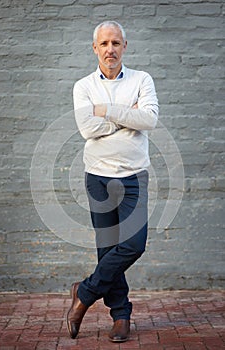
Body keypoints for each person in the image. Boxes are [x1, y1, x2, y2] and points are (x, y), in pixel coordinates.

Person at [66, 20, 159, 343]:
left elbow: (149, 119)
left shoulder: (142, 79)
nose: (110, 49)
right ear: (95, 48)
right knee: (107, 249)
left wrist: (105, 111)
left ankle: (86, 292)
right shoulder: (83, 86)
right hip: (98, 178)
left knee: (134, 244)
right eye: (104, 44)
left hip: (134, 176)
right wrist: (125, 117)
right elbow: (87, 129)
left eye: (116, 43)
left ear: (124, 47)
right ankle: (121, 315)